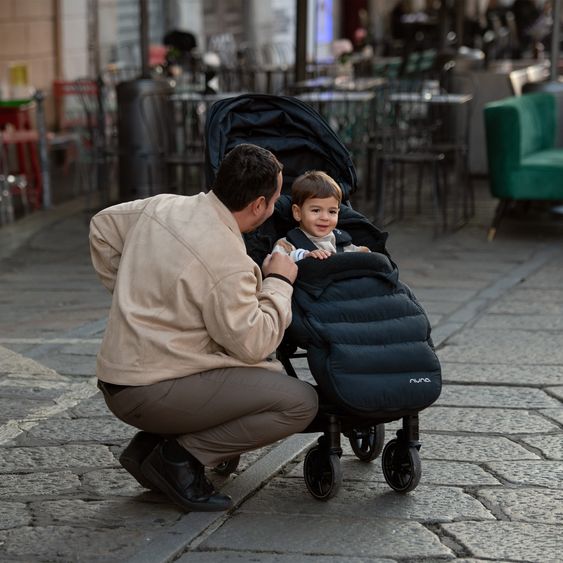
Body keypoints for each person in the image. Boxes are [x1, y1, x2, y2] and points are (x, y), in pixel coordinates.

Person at [89, 143, 318, 513]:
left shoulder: (162, 205)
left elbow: (101, 227)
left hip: (118, 380)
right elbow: (255, 343)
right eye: (276, 198)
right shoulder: (229, 261)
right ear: (258, 205)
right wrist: (279, 280)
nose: (277, 205)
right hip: (150, 391)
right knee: (298, 402)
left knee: (242, 375)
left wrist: (132, 294)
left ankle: (149, 449)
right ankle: (178, 458)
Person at [272, 170, 370, 261]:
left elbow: (365, 258)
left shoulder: (342, 243)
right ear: (297, 212)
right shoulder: (287, 244)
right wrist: (303, 256)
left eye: (332, 212)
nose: (325, 218)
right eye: (316, 210)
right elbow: (275, 262)